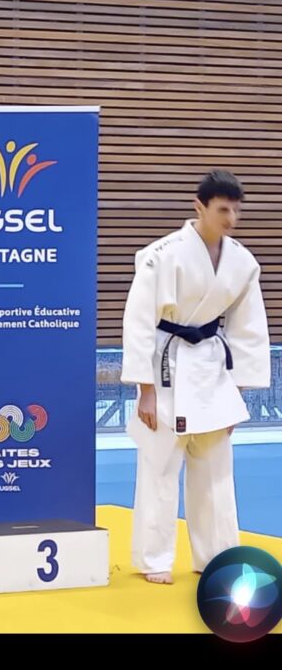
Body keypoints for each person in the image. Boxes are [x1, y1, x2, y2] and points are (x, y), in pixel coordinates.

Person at [121, 169, 270, 584]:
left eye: (236, 210)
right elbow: (138, 322)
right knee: (159, 467)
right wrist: (145, 390)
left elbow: (249, 329)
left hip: (211, 369)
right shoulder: (161, 255)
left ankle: (217, 557)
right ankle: (154, 559)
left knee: (216, 472)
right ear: (199, 207)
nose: (231, 219)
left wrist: (237, 392)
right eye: (223, 210)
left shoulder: (242, 262)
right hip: (166, 366)